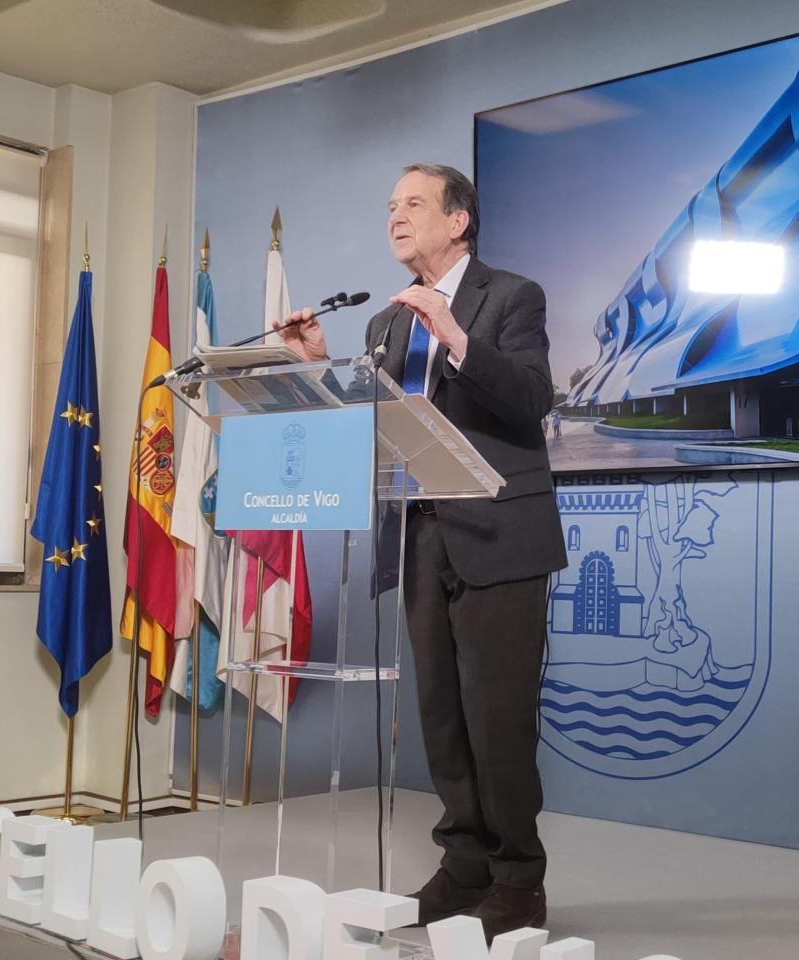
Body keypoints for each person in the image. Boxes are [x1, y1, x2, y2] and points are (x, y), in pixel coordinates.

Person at [273, 162, 566, 938]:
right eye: (390, 207)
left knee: (497, 716)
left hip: (499, 535)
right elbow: (377, 428)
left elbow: (533, 397)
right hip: (419, 533)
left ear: (459, 218)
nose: (396, 218)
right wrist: (316, 365)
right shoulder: (385, 323)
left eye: (412, 204)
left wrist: (458, 338)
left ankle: (518, 880)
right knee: (440, 714)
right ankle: (464, 864)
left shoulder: (511, 298)